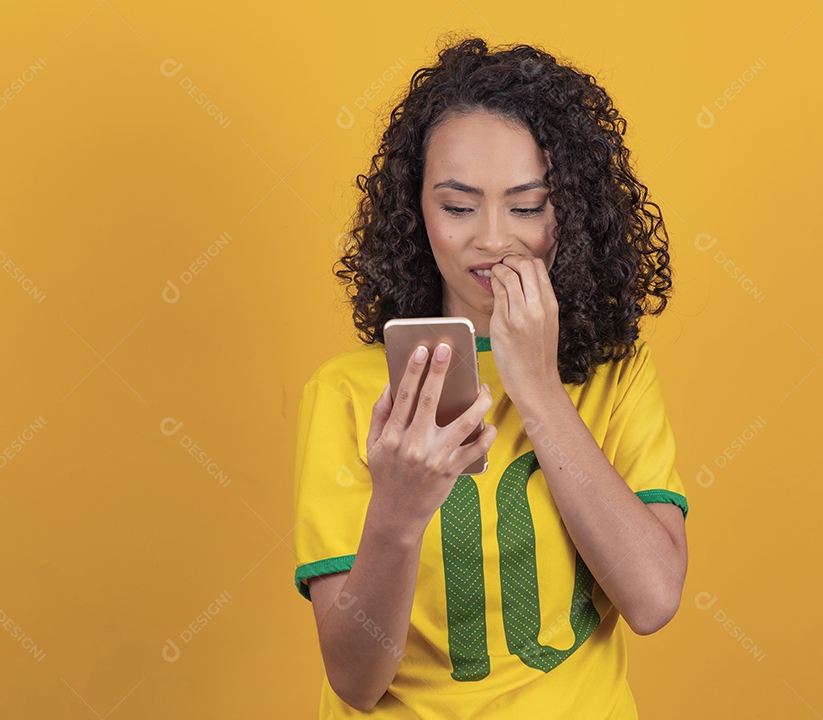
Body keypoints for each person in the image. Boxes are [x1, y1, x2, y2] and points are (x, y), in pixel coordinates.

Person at [292, 35, 689, 719]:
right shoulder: (348, 393)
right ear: (416, 212)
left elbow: (652, 598)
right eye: (457, 205)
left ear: (571, 212)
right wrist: (397, 509)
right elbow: (356, 682)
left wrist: (535, 385)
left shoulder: (616, 375)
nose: (492, 238)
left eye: (528, 206)